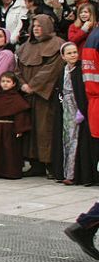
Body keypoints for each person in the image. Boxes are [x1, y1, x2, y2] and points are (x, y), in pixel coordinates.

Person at [17, 15, 66, 177]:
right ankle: (35, 163)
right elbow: (17, 68)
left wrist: (34, 86)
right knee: (30, 129)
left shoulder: (57, 44)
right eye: (34, 26)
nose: (36, 28)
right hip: (27, 94)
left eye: (39, 26)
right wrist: (22, 84)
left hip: (46, 95)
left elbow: (52, 69)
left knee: (45, 129)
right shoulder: (26, 46)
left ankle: (49, 164)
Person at [51, 42, 99, 186]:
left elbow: (83, 92)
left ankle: (76, 174)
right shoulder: (63, 71)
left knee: (78, 140)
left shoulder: (80, 71)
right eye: (69, 53)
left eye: (74, 52)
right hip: (66, 110)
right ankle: (66, 172)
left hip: (79, 109)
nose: (73, 55)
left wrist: (82, 110)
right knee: (66, 140)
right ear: (63, 56)